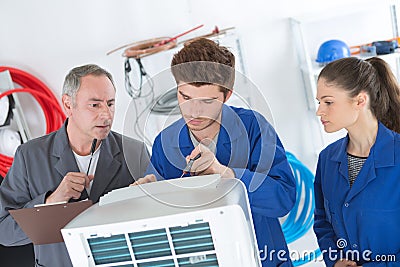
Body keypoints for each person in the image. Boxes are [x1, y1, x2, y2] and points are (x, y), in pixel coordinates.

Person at [136, 38, 296, 266]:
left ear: (227, 95)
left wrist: (228, 175)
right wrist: (148, 196)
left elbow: (284, 198)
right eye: (185, 97)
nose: (194, 111)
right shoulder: (165, 142)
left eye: (207, 101)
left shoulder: (254, 128)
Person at [0, 64, 150, 267]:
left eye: (111, 104)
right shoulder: (29, 156)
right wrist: (51, 201)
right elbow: (5, 231)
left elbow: (153, 227)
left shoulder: (135, 152)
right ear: (68, 104)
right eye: (95, 105)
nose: (106, 114)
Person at [314, 57, 400, 267]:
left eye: (328, 102)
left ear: (360, 101)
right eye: (319, 103)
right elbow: (322, 221)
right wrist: (335, 260)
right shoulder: (327, 159)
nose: (319, 111)